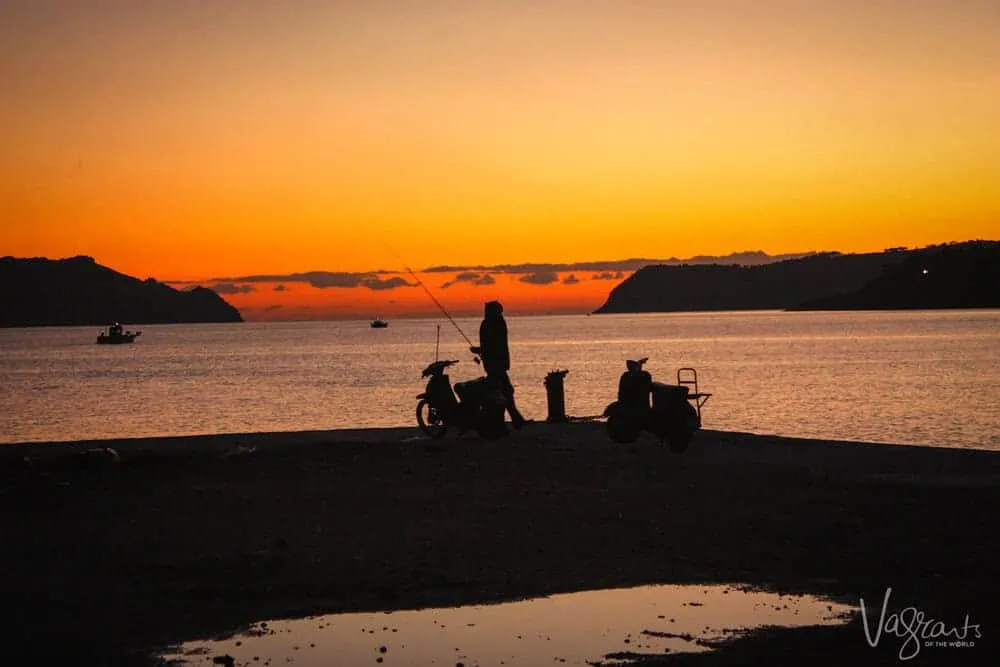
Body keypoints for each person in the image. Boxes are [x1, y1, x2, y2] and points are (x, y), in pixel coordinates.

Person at [470, 300, 527, 429]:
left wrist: (479, 350)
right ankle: (515, 419)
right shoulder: (500, 322)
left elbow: (491, 345)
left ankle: (506, 422)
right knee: (505, 391)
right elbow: (494, 344)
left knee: (498, 394)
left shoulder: (489, 324)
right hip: (500, 363)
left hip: (493, 365)